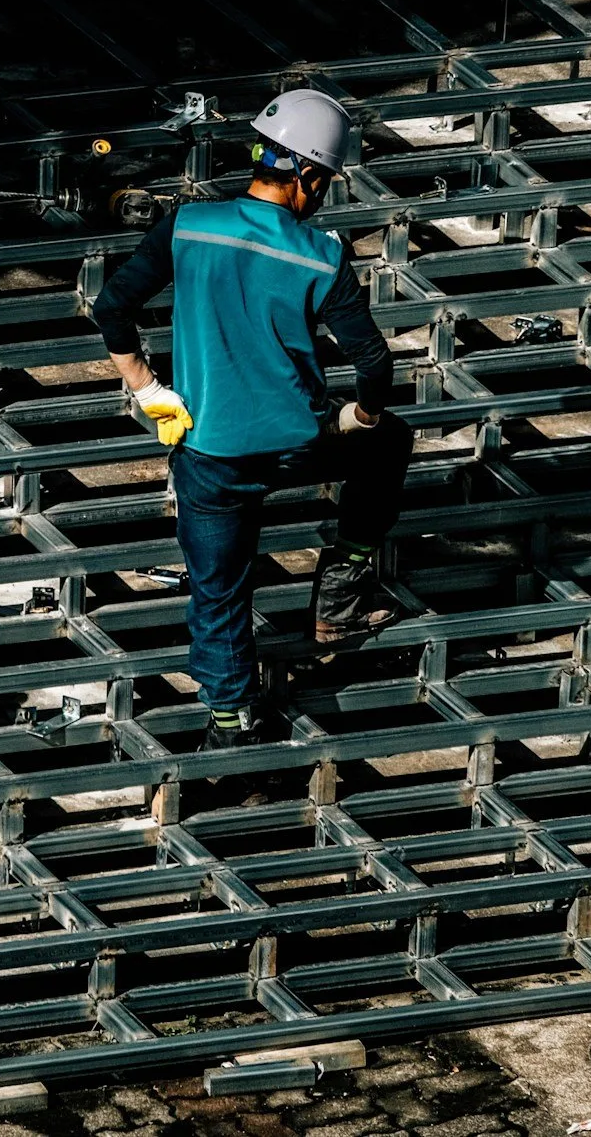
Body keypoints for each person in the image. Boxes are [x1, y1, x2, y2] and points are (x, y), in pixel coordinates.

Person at [92, 87, 410, 746]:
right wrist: (361, 414)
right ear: (309, 175)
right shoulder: (320, 255)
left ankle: (228, 723)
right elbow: (374, 365)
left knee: (218, 594)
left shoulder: (185, 226)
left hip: (209, 452)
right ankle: (340, 594)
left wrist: (146, 386)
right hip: (296, 444)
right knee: (388, 442)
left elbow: (110, 309)